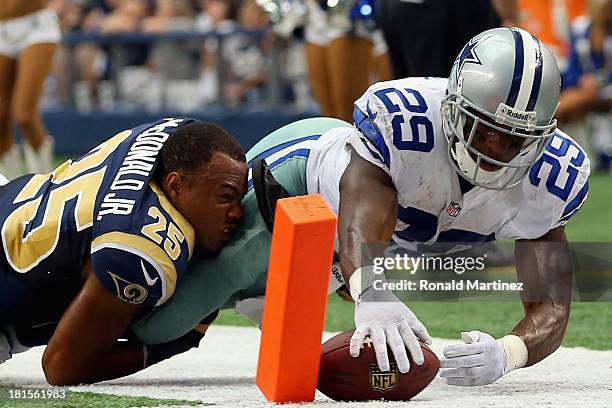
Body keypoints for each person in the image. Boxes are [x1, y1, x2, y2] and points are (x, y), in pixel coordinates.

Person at [136, 27, 587, 386]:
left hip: (339, 253)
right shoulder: (405, 122)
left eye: (514, 139)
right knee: (162, 318)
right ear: (452, 107)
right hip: (300, 185)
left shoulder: (551, 181)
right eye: (483, 128)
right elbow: (363, 209)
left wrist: (509, 353)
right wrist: (371, 290)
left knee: (215, 315)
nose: (495, 147)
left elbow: (551, 309)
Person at [0, 118, 247, 385]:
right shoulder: (139, 248)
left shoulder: (172, 133)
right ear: (175, 185)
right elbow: (62, 367)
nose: (238, 212)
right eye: (225, 197)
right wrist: (176, 342)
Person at [0, 0, 61, 179]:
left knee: (24, 114)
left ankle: (45, 182)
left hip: (37, 25)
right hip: (2, 28)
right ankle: (9, 189)